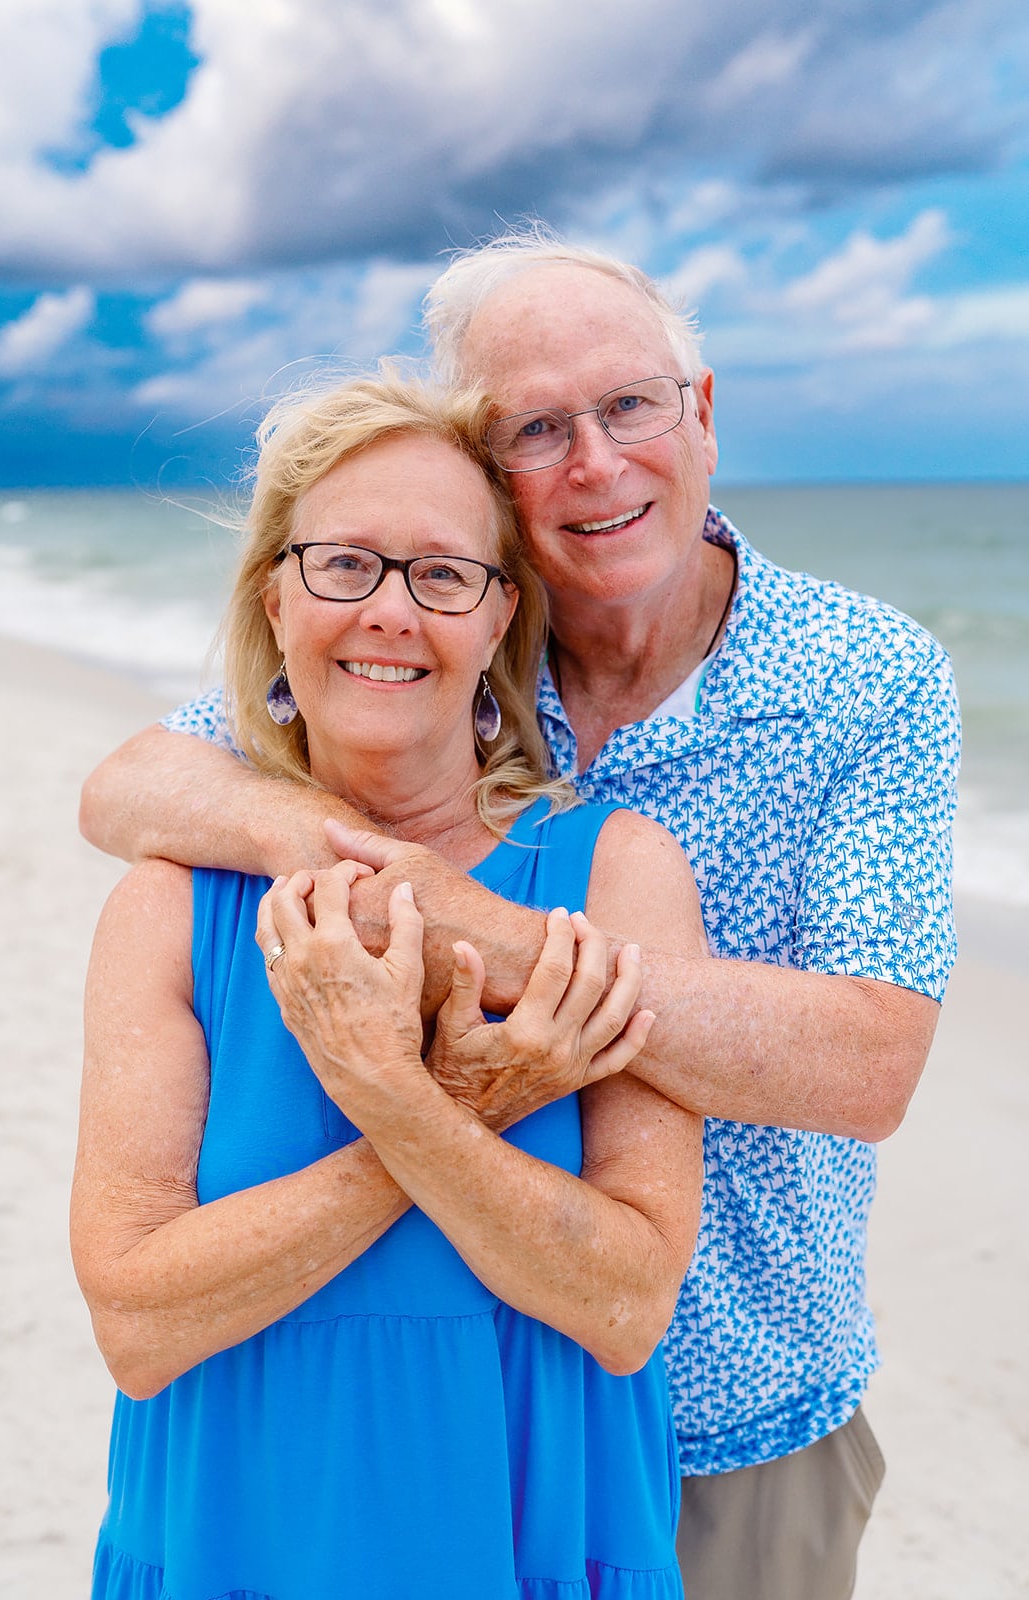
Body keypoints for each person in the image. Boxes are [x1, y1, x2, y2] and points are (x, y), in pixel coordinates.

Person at [80, 230, 960, 1600]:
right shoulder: (441, 617)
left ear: (703, 412)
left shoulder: (862, 679)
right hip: (371, 1418)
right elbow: (136, 781)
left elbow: (867, 1065)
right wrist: (342, 868)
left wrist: (437, 914)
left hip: (735, 1414)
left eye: (626, 406)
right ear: (493, 487)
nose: (594, 463)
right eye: (536, 429)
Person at [71, 370, 707, 1600]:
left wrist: (394, 1094)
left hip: (531, 1530)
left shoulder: (611, 875)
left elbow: (625, 1304)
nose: (390, 613)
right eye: (345, 564)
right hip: (237, 1534)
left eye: (440, 574)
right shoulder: (168, 903)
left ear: (496, 618)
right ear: (276, 591)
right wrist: (447, 1102)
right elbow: (139, 1326)